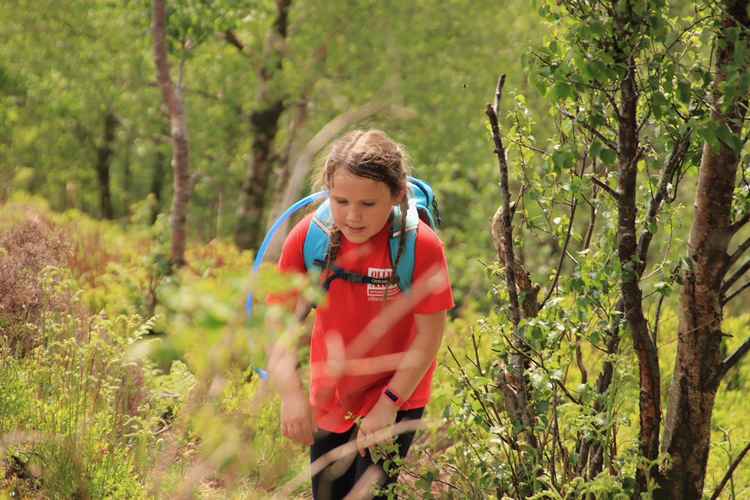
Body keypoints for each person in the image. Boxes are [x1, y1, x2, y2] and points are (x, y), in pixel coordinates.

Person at [267, 129, 454, 499]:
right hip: (332, 390)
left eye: (368, 204)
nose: (353, 216)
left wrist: (388, 404)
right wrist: (291, 394)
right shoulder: (309, 238)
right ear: (327, 193)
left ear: (397, 195)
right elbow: (280, 324)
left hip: (398, 389)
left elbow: (429, 335)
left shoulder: (420, 245)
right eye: (341, 201)